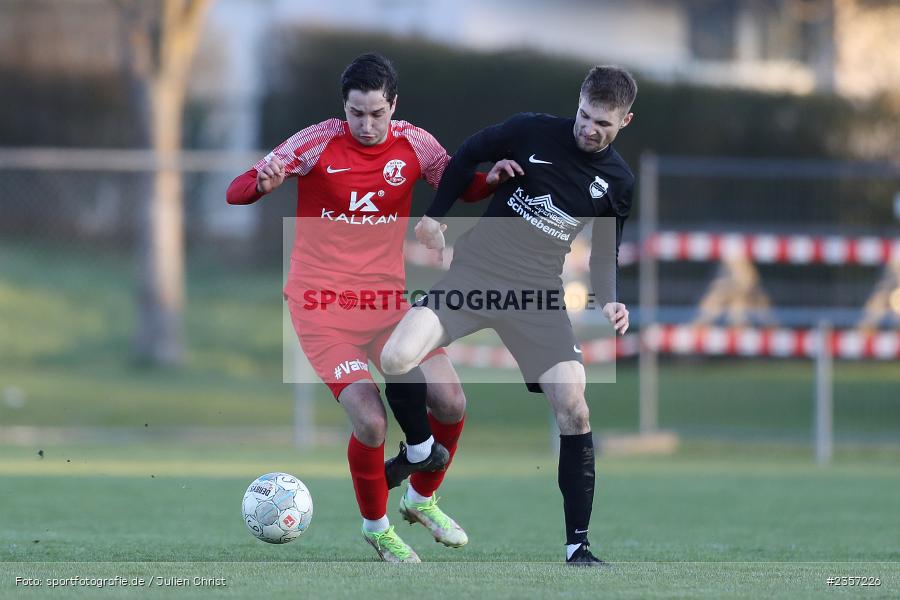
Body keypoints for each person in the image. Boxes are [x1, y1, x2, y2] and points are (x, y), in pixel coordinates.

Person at [226, 53, 519, 563]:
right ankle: (377, 527)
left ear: (394, 105)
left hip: (385, 303)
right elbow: (236, 191)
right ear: (344, 106)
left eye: (376, 113)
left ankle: (422, 499)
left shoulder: (414, 143)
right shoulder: (315, 142)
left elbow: (457, 184)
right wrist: (262, 184)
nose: (365, 124)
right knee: (371, 423)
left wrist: (490, 180)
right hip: (320, 307)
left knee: (450, 400)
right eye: (356, 113)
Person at [380, 65, 636, 566]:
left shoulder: (619, 181)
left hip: (538, 296)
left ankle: (577, 547)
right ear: (578, 102)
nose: (589, 128)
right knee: (395, 355)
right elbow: (467, 156)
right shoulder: (530, 130)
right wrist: (436, 214)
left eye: (602, 124)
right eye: (585, 115)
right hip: (476, 274)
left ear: (625, 120)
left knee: (575, 407)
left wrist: (608, 298)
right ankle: (418, 452)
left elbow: (605, 253)